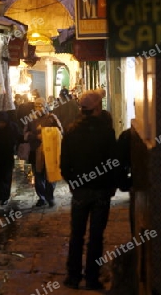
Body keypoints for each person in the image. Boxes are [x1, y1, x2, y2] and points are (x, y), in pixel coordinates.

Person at [60, 90, 119, 290]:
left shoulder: (70, 131)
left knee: (76, 234)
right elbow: (113, 163)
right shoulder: (106, 132)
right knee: (96, 236)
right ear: (96, 108)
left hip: (80, 191)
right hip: (101, 191)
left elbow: (64, 166)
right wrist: (113, 184)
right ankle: (92, 278)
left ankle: (73, 277)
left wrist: (75, 182)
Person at [25, 97, 63, 207]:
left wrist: (47, 134)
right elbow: (26, 134)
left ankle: (49, 196)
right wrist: (35, 136)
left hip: (50, 152)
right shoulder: (30, 119)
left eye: (40, 105)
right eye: (36, 106)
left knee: (50, 174)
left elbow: (60, 131)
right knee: (38, 175)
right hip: (35, 151)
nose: (38, 108)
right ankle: (41, 197)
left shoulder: (52, 118)